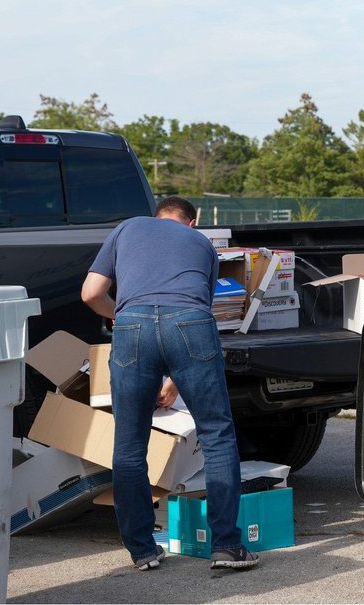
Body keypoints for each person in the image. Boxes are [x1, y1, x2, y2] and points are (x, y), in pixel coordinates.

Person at [81, 196, 259, 573]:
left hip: (131, 329)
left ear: (156, 216)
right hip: (189, 327)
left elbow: (91, 293)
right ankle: (227, 546)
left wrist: (124, 316)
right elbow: (194, 313)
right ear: (190, 222)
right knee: (217, 435)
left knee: (129, 444)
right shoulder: (203, 246)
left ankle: (143, 551)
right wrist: (176, 381)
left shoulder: (127, 228)